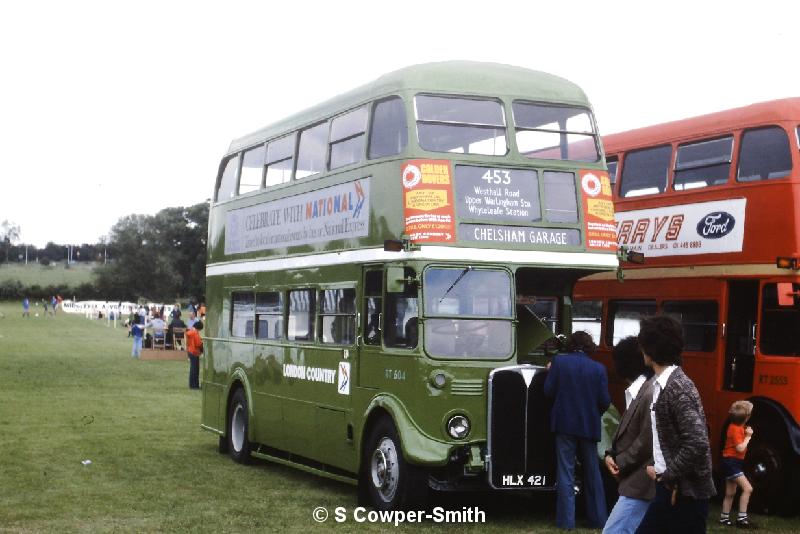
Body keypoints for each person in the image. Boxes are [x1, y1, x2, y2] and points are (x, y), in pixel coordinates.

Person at [635, 315, 716, 534]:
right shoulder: (665, 384)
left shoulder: (677, 388)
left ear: (649, 348)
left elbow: (697, 442)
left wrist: (667, 475)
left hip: (684, 494)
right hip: (671, 490)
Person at [544, 330, 610, 530]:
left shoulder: (559, 362)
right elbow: (605, 401)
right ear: (589, 347)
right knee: (592, 472)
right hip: (588, 425)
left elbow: (548, 391)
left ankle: (566, 522)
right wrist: (592, 414)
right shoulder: (599, 368)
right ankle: (598, 519)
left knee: (566, 472)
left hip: (564, 424)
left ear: (570, 344)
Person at [603, 336, 656, 534]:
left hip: (642, 481)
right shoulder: (643, 389)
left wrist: (619, 461)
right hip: (640, 478)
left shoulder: (648, 392)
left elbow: (646, 439)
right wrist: (611, 454)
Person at [719, 400, 755, 528]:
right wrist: (748, 437)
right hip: (731, 462)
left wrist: (745, 432)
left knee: (730, 493)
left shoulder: (735, 427)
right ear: (747, 417)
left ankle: (724, 517)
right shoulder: (735, 429)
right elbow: (740, 448)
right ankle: (742, 518)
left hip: (732, 462)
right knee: (748, 488)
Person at [186, 320, 203, 389]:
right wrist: (202, 349)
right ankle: (195, 385)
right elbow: (198, 344)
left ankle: (192, 384)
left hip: (190, 351)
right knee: (195, 370)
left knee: (192, 369)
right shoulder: (195, 333)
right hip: (195, 352)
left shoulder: (190, 332)